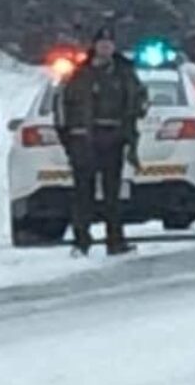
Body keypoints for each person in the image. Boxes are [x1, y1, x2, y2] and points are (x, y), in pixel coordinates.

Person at [55, 26, 144, 257]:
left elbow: (138, 100)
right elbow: (64, 106)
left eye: (109, 43)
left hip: (113, 138)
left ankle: (115, 241)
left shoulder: (124, 72)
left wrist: (129, 130)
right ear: (94, 46)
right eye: (101, 43)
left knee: (112, 195)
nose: (105, 47)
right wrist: (69, 136)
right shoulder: (80, 74)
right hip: (84, 140)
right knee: (82, 194)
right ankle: (81, 241)